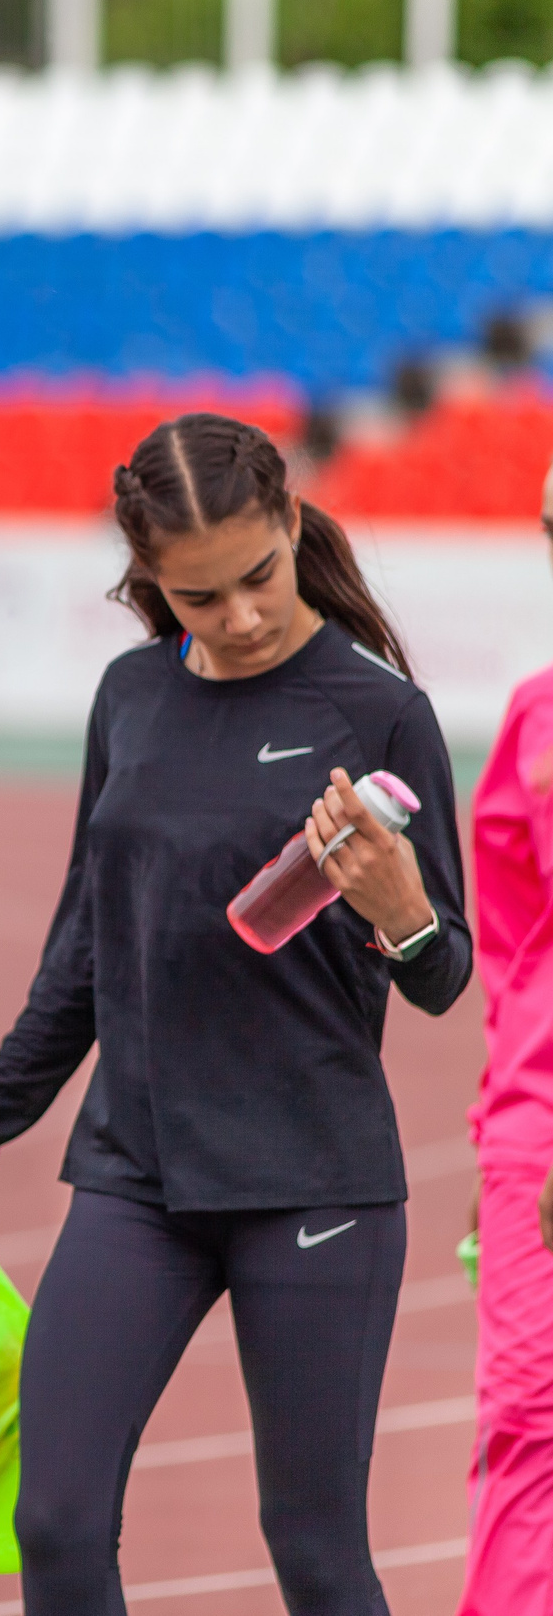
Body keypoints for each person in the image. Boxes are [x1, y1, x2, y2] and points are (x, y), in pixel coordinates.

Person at [0, 413, 471, 1614]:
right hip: (137, 1177)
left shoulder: (381, 712)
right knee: (52, 1521)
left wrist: (399, 906)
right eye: (198, 598)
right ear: (148, 580)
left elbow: (442, 974)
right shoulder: (129, 699)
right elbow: (82, 959)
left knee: (311, 1546)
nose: (240, 615)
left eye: (256, 578)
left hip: (313, 1184)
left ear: (293, 526)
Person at [460, 461, 553, 1615]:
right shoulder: (535, 715)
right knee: (526, 1421)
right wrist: (504, 1123)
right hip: (533, 1139)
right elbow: (514, 950)